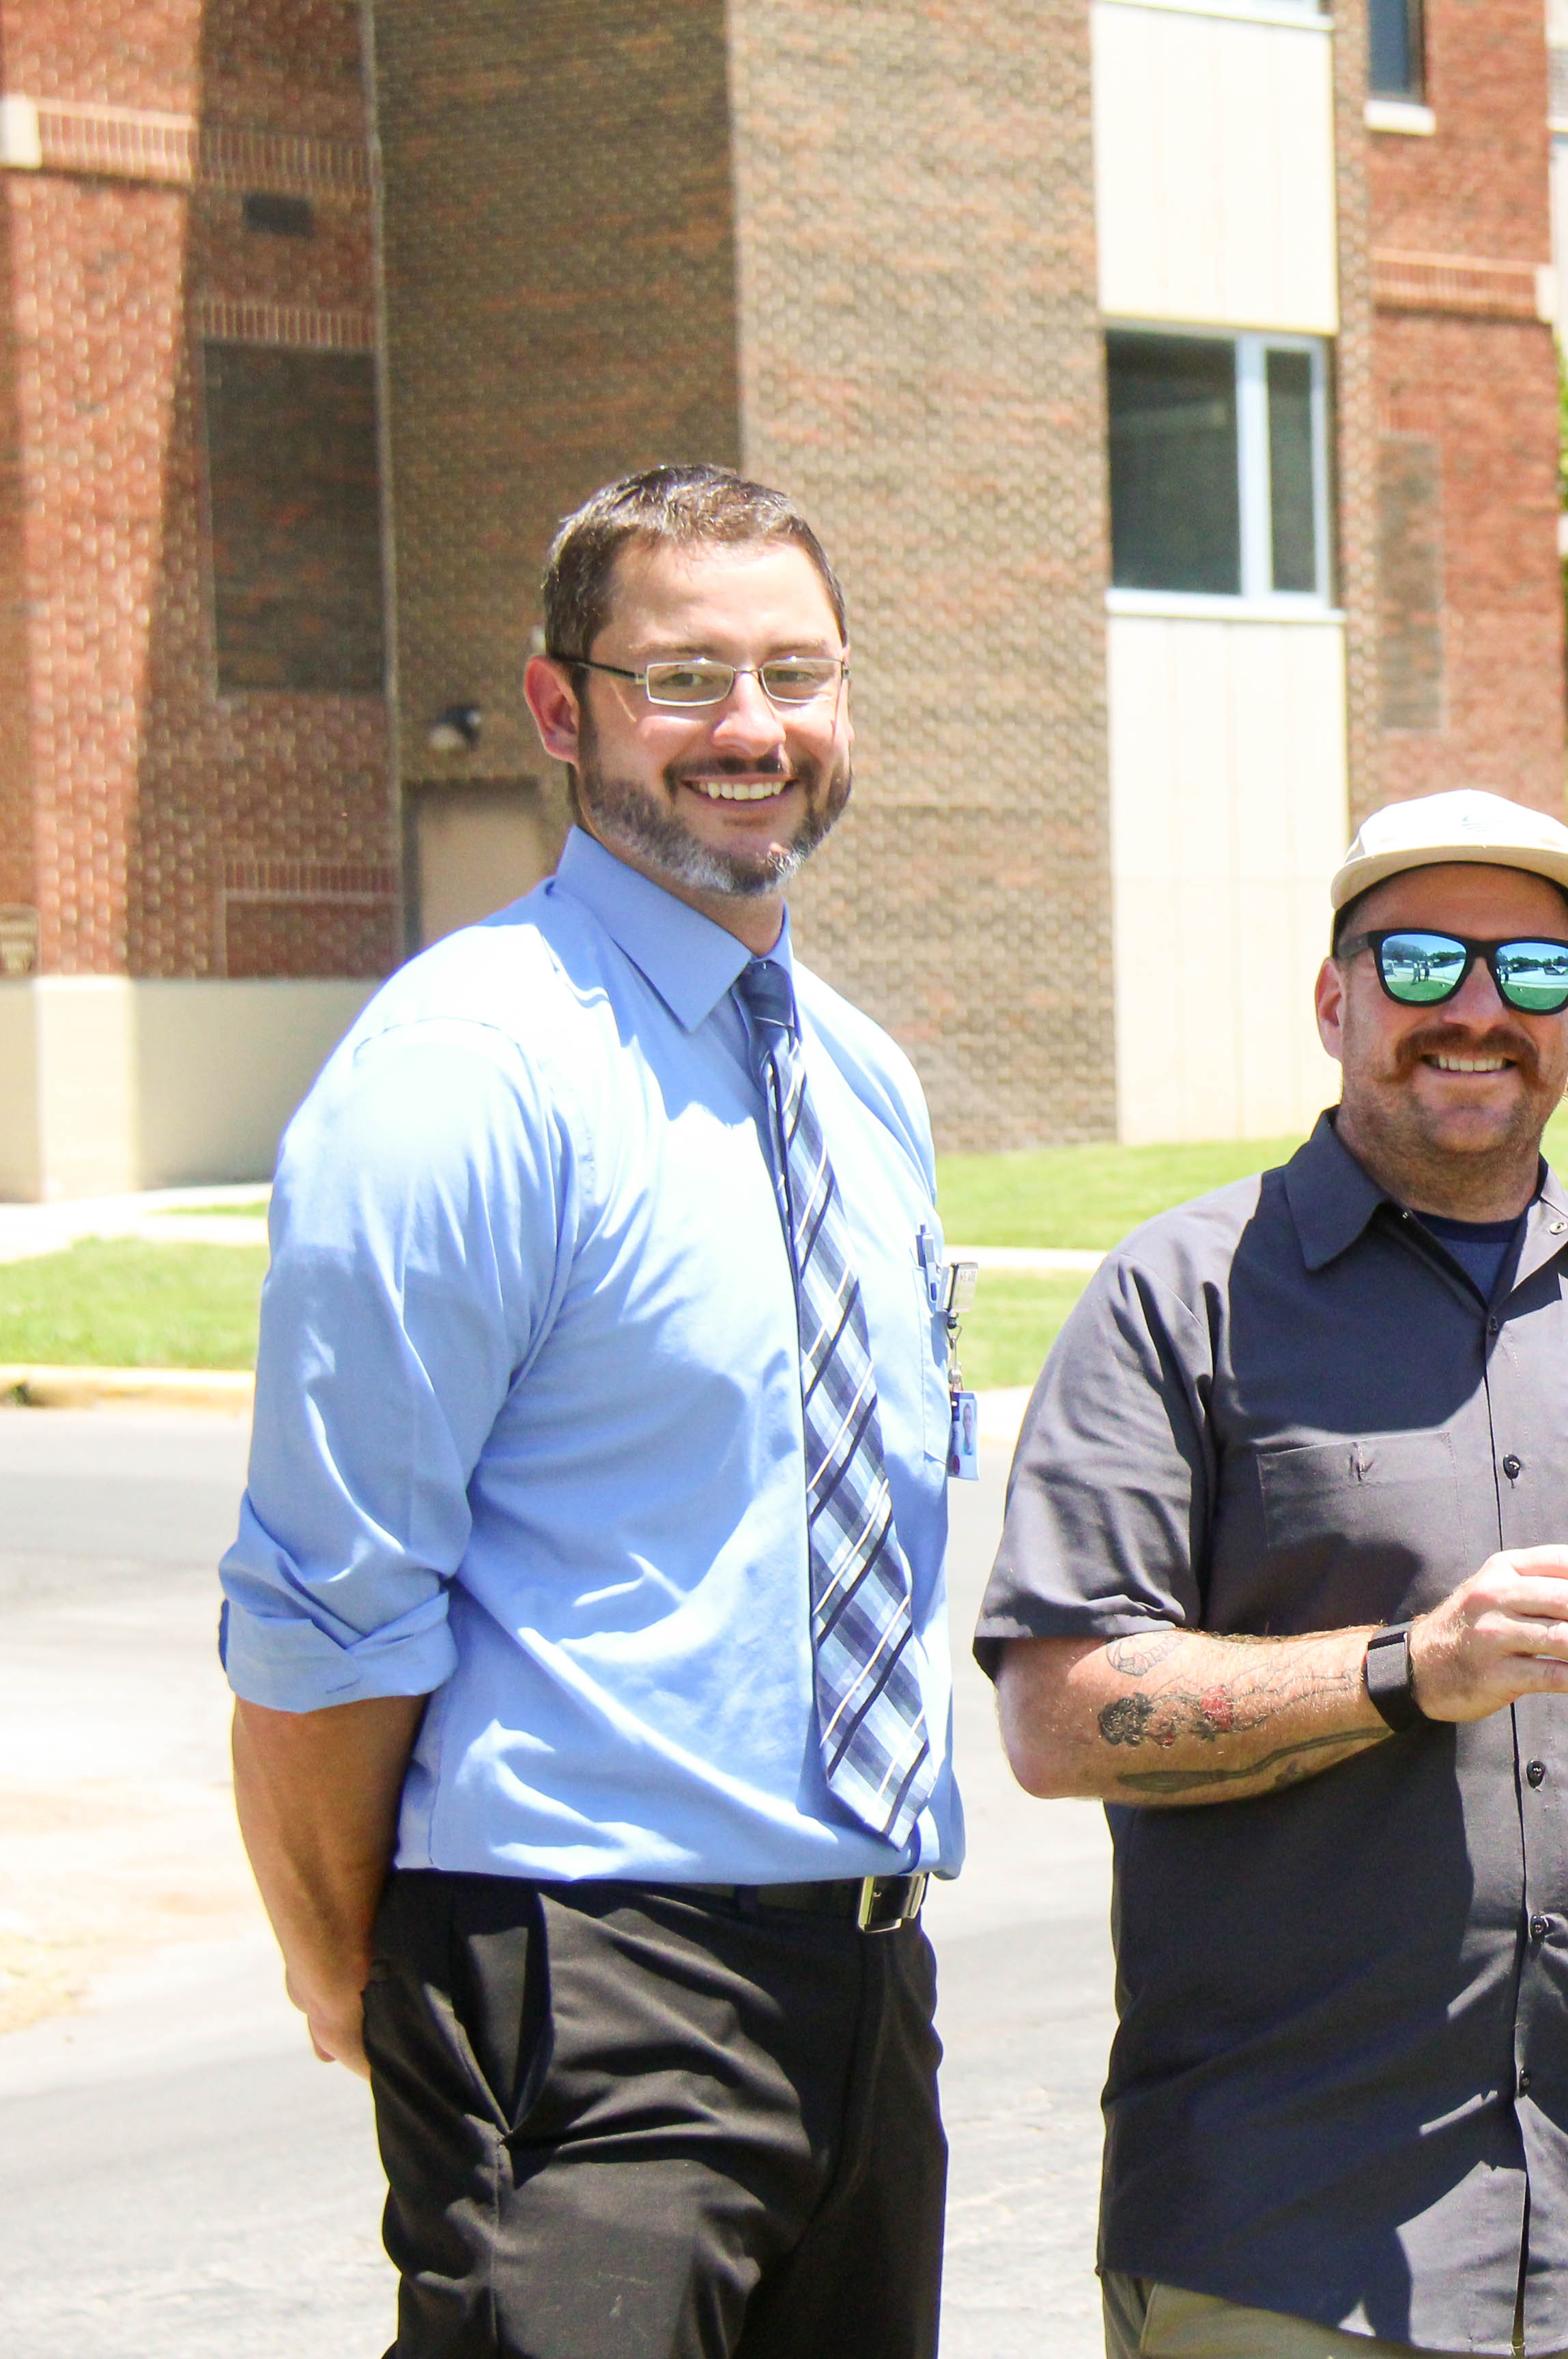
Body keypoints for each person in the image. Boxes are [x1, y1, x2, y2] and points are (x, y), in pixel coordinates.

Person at [974, 788, 1568, 2359]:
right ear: (1334, 1000)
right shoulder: (1182, 1298)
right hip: (1286, 2238)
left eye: (1536, 972)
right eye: (1423, 963)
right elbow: (1061, 1714)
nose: (1478, 1010)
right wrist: (1410, 1668)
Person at [218, 465, 970, 2356]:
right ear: (563, 712)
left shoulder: (862, 1080)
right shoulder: (467, 1075)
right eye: (684, 677)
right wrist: (346, 1962)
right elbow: (327, 1607)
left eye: (795, 673)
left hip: (865, 1979)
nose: (752, 729)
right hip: (582, 1980)